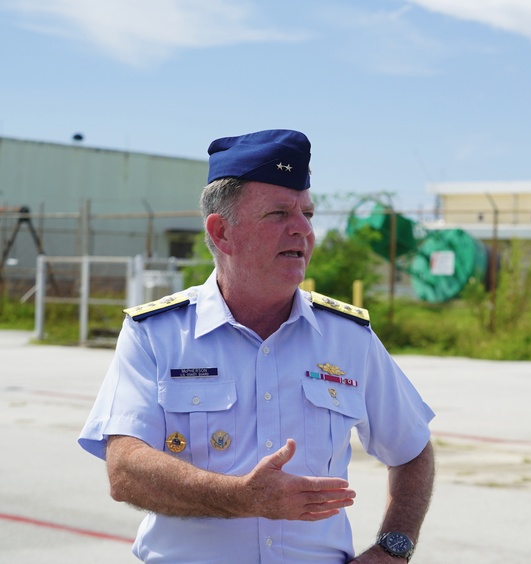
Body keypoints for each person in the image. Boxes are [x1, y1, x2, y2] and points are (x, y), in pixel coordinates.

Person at [79, 129, 435, 563]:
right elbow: (125, 471)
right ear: (222, 232)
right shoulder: (157, 334)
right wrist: (244, 497)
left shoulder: (347, 337)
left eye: (307, 212)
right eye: (279, 213)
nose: (303, 229)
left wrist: (393, 549)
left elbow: (413, 450)